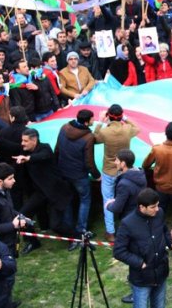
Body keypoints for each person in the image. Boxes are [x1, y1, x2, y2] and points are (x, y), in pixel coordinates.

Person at [114, 188, 172, 308]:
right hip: (142, 278)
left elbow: (164, 231)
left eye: (157, 205)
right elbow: (119, 251)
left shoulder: (160, 213)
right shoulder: (127, 223)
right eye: (153, 207)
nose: (157, 209)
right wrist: (140, 263)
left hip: (161, 273)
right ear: (142, 207)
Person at [94, 104, 140, 242]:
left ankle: (110, 232)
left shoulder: (105, 132)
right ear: (121, 116)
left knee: (107, 200)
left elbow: (94, 138)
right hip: (124, 170)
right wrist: (125, 118)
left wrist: (100, 122)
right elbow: (137, 129)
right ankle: (128, 227)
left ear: (108, 116)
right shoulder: (127, 129)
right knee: (126, 198)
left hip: (109, 170)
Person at [55, 109, 100, 243]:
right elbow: (89, 161)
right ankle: (81, 229)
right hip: (79, 175)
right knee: (85, 200)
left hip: (63, 172)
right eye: (92, 119)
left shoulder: (64, 128)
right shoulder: (88, 137)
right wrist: (96, 175)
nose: (93, 121)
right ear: (87, 122)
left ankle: (69, 230)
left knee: (68, 201)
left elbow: (57, 149)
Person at [0, 163, 38, 256]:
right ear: (0, 181)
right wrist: (13, 225)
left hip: (10, 241)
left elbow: (8, 210)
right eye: (10, 178)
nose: (14, 181)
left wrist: (21, 216)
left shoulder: (4, 191)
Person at [105, 149, 147, 221]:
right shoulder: (140, 174)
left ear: (123, 163)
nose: (115, 162)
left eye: (117, 160)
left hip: (128, 218)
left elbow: (117, 208)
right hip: (139, 214)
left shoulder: (124, 184)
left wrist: (108, 205)